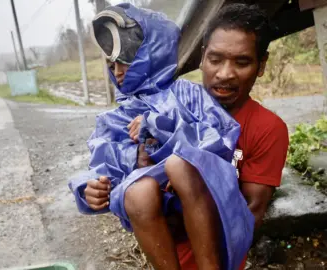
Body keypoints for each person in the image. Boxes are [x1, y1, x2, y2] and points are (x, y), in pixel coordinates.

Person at [69, 4, 255, 270]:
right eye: (112, 64)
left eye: (127, 60)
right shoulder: (113, 120)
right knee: (138, 192)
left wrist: (159, 128)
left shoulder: (186, 95)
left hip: (199, 196)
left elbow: (221, 140)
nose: (118, 70)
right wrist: (88, 187)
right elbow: (102, 166)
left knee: (179, 165)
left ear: (152, 53)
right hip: (157, 212)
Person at [124, 3, 290, 269]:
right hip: (166, 256)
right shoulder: (168, 107)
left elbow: (248, 216)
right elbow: (131, 180)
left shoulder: (268, 129)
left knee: (182, 165)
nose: (225, 74)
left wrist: (192, 185)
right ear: (202, 58)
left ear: (261, 65)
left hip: (218, 259)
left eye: (242, 62)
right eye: (215, 59)